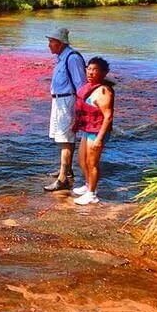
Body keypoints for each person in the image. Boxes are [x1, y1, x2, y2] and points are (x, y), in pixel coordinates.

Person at [43, 27, 86, 192]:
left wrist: (78, 109)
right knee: (63, 138)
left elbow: (81, 85)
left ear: (60, 43)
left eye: (51, 42)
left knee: (65, 139)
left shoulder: (72, 58)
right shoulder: (62, 58)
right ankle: (66, 171)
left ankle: (63, 179)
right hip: (60, 101)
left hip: (67, 101)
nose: (49, 45)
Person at [72, 57, 115, 205]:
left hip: (97, 131)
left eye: (94, 70)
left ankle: (92, 194)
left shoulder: (103, 91)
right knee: (82, 159)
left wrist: (99, 139)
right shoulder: (89, 87)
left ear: (103, 73)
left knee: (92, 163)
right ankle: (88, 184)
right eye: (89, 69)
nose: (90, 72)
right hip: (88, 129)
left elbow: (108, 117)